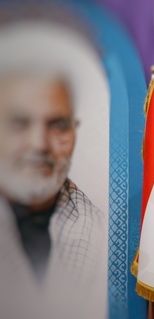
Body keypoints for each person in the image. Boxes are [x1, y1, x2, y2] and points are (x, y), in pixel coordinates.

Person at [0, 68, 106, 319]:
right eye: (19, 124)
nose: (39, 143)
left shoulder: (102, 232)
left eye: (57, 125)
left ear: (74, 131)